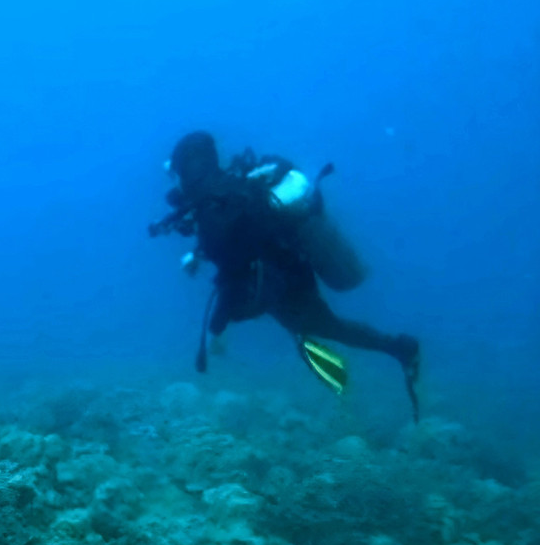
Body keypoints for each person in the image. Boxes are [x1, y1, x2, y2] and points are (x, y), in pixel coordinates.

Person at [149, 130, 421, 421]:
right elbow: (236, 242)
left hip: (283, 281)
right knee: (311, 327)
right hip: (283, 272)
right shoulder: (226, 192)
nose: (176, 181)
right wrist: (200, 254)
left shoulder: (215, 209)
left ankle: (399, 347)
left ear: (188, 170)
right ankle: (386, 350)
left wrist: (216, 330)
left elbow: (231, 271)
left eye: (176, 173)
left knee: (328, 327)